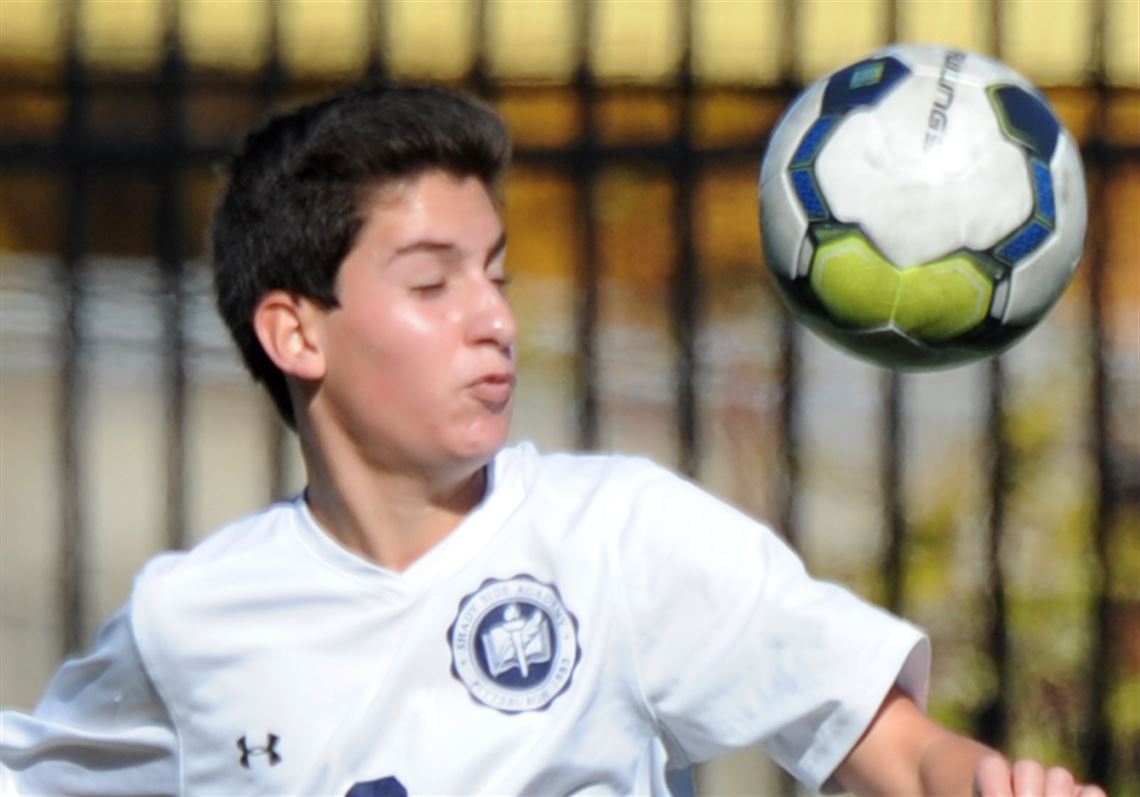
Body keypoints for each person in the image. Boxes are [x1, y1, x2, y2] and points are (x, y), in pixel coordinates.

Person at [0, 83, 1105, 797]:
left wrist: (997, 784)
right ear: (295, 330)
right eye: (432, 282)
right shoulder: (189, 623)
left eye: (499, 274)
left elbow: (895, 746)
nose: (494, 318)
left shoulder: (621, 535)